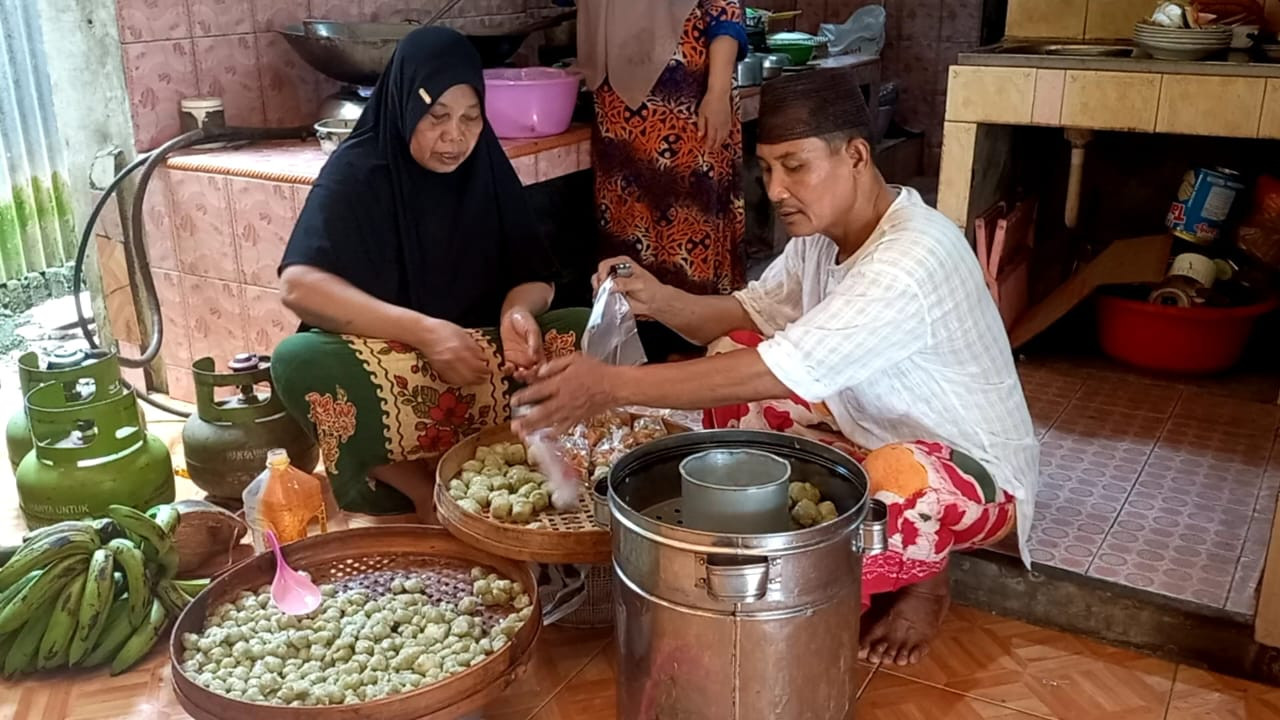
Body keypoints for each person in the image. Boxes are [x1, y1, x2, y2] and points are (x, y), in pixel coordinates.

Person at [510, 66, 1039, 667]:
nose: (777, 189)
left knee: (893, 476)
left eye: (796, 165)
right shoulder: (821, 235)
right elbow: (745, 315)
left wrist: (608, 386)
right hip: (869, 424)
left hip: (970, 473)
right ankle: (820, 532)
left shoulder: (910, 259)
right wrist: (655, 298)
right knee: (729, 360)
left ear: (857, 155)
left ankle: (926, 581)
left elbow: (781, 370)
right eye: (766, 169)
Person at [270, 27, 588, 520]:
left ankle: (495, 455)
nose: (454, 136)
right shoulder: (359, 170)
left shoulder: (484, 165)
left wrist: (516, 314)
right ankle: (417, 486)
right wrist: (423, 332)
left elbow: (535, 271)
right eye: (436, 117)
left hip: (482, 360)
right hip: (393, 359)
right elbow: (298, 285)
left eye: (470, 117)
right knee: (299, 360)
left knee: (580, 330)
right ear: (405, 106)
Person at [577, 0, 748, 359]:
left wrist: (717, 92)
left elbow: (725, 8)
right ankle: (636, 349)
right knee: (625, 225)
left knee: (689, 229)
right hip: (617, 108)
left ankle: (693, 350)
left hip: (685, 102)